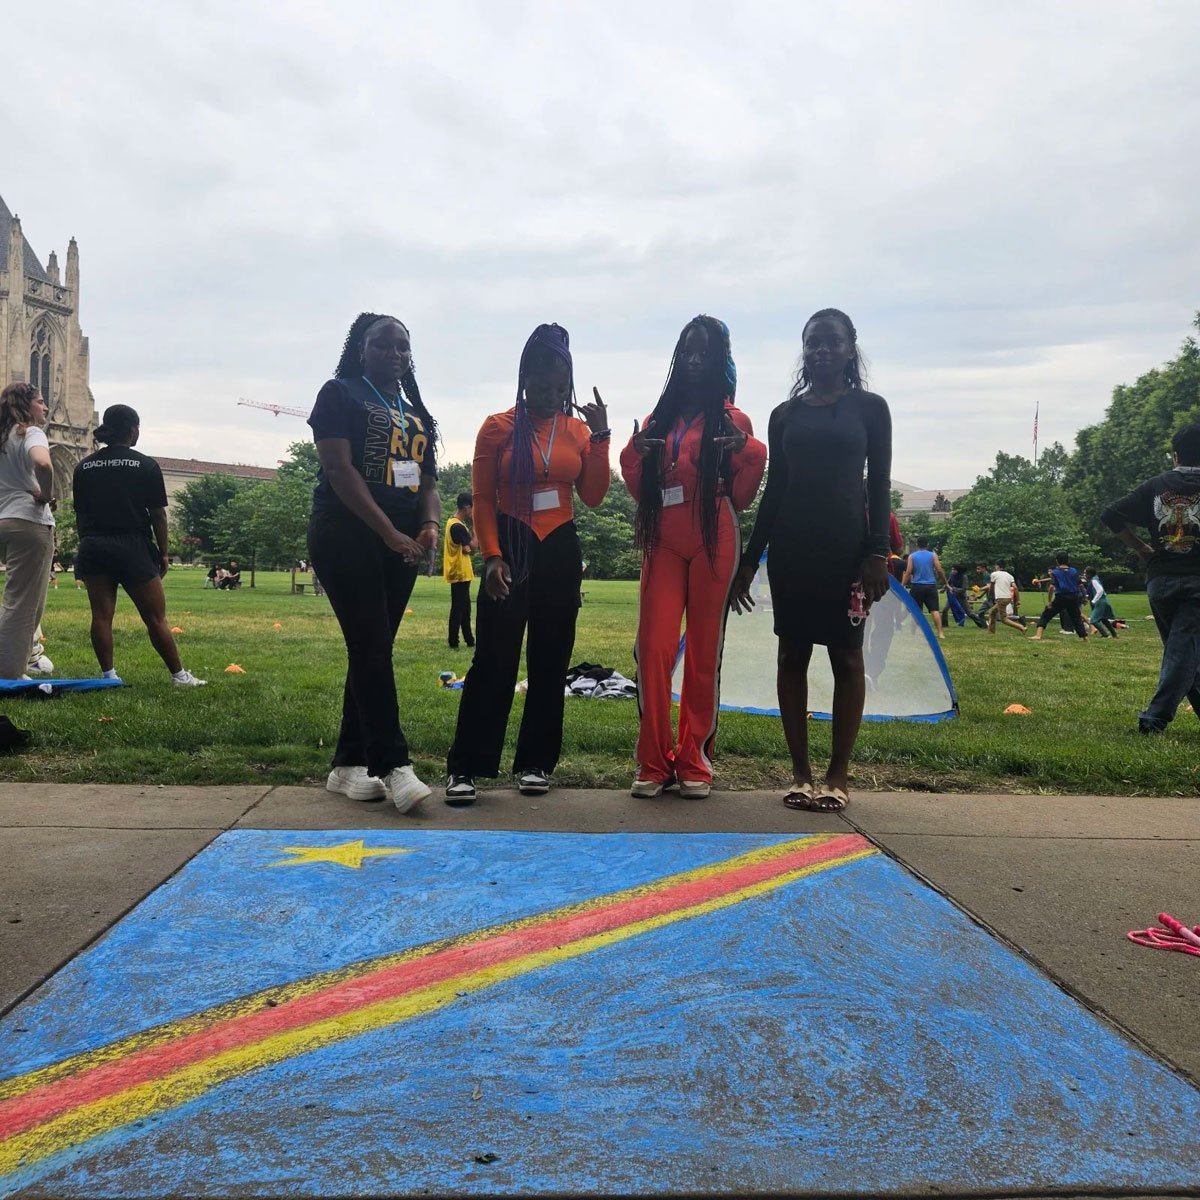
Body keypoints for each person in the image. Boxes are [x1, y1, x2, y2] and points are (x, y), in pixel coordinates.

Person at [731, 308, 891, 812]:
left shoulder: (870, 408)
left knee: (846, 655)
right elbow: (775, 491)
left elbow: (880, 483)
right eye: (813, 343)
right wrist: (749, 559)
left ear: (850, 348)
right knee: (791, 654)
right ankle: (800, 772)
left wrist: (877, 552)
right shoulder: (786, 415)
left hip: (847, 553)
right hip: (792, 550)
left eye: (832, 342)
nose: (821, 350)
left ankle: (838, 775)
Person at [445, 323, 609, 804]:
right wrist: (492, 555)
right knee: (494, 656)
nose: (553, 396)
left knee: (551, 657)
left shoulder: (577, 431)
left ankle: (535, 762)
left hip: (559, 543)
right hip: (510, 539)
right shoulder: (496, 426)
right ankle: (466, 767)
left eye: (561, 389)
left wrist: (600, 436)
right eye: (543, 387)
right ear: (523, 380)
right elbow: (481, 496)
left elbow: (595, 496)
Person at [620, 315, 766, 798]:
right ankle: (653, 760)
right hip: (663, 536)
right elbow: (641, 490)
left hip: (714, 534)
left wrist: (748, 451)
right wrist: (634, 453)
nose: (695, 359)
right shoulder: (656, 420)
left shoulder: (734, 421)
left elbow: (743, 497)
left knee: (704, 650)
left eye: (706, 352)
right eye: (688, 350)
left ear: (722, 360)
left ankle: (694, 762)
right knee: (654, 648)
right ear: (677, 357)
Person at [307, 312, 441, 812]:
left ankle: (347, 764)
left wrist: (427, 528)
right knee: (371, 645)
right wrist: (388, 533)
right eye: (383, 345)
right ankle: (393, 764)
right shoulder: (339, 394)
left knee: (372, 647)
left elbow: (428, 483)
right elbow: (339, 470)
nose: (395, 354)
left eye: (403, 347)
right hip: (346, 534)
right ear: (361, 349)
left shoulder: (416, 413)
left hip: (403, 542)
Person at [72, 404, 205, 687]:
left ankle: (109, 676)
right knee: (155, 617)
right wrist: (165, 552)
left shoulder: (83, 467)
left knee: (101, 615)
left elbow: (81, 515)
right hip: (133, 546)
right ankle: (179, 676)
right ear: (133, 430)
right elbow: (158, 514)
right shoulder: (146, 465)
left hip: (95, 544)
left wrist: (88, 542)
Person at [1100, 422, 1200, 734]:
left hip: (1161, 581)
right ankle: (1155, 719)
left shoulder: (1155, 485)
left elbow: (1110, 515)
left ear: (1175, 455)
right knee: (1184, 651)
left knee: (1183, 650)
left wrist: (1142, 548)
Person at [0, 384, 55, 679]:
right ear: (26, 405)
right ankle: (10, 672)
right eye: (40, 401)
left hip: (3, 521)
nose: (44, 407)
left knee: (16, 600)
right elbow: (43, 463)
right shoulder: (30, 432)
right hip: (27, 522)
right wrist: (46, 493)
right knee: (24, 605)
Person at [443, 491, 477, 650]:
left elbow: (467, 548)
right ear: (466, 507)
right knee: (458, 608)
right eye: (472, 508)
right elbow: (472, 547)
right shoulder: (458, 526)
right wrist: (477, 525)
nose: (473, 512)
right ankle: (453, 641)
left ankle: (469, 639)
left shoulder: (452, 522)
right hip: (459, 571)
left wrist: (468, 546)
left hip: (459, 571)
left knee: (464, 607)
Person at [1031, 552, 1089, 641]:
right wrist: (1085, 597)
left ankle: (1038, 635)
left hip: (1061, 597)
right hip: (1073, 596)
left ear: (1057, 561)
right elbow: (1080, 585)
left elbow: (1051, 587)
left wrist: (1049, 601)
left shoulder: (1055, 572)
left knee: (1046, 614)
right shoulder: (1073, 571)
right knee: (1076, 617)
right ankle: (1085, 638)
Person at [902, 535, 948, 638]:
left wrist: (902, 585)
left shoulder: (912, 556)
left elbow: (908, 572)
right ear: (927, 545)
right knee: (934, 610)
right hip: (930, 586)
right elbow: (939, 570)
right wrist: (945, 582)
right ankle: (940, 633)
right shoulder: (933, 555)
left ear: (917, 545)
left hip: (917, 586)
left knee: (916, 610)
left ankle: (914, 632)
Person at [986, 560, 1025, 633]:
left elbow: (991, 587)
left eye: (995, 565)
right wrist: (1018, 600)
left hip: (1001, 598)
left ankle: (1021, 627)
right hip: (1008, 598)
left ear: (997, 566)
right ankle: (991, 631)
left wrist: (990, 595)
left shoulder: (994, 574)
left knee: (1004, 619)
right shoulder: (1009, 575)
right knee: (992, 612)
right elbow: (1015, 588)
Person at [1084, 567, 1119, 638]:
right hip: (1103, 601)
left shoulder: (1094, 580)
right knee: (1103, 619)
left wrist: (1094, 600)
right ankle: (1114, 634)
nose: (1084, 574)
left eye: (1085, 573)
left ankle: (1105, 634)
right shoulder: (1096, 578)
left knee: (1093, 620)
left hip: (1100, 602)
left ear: (1089, 574)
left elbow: (1100, 590)